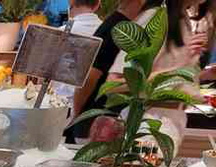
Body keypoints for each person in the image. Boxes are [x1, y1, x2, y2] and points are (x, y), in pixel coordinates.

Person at [104, 0, 212, 151]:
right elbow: (113, 84)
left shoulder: (183, 21)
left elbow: (171, 79)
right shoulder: (155, 18)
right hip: (149, 123)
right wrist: (178, 68)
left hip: (172, 120)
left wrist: (203, 74)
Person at [67, 0, 160, 139]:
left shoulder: (124, 26)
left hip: (106, 119)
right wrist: (77, 113)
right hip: (97, 122)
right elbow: (90, 76)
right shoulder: (117, 28)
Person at [54, 0, 102, 108]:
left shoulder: (59, 33)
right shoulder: (108, 32)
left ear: (70, 3)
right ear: (98, 4)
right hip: (96, 105)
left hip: (60, 105)